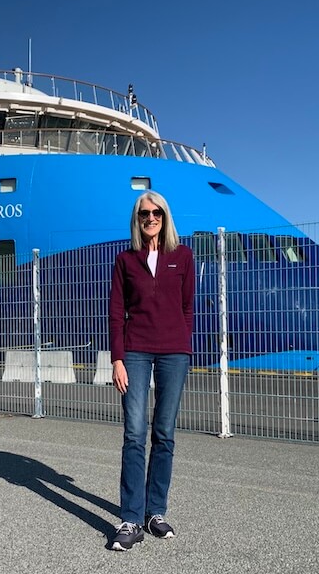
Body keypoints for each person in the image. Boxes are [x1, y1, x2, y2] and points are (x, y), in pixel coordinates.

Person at [108, 190, 195, 551]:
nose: (151, 218)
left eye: (156, 212)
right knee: (134, 433)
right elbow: (116, 312)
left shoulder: (184, 256)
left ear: (165, 216)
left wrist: (182, 341)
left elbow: (188, 307)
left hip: (174, 353)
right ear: (137, 218)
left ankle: (155, 512)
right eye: (144, 213)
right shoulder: (125, 260)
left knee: (164, 433)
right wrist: (117, 358)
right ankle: (131, 518)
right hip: (137, 352)